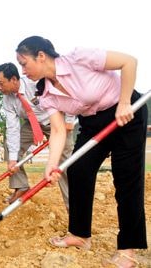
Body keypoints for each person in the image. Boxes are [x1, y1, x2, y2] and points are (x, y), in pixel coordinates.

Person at [16, 35, 148, 267]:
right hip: (92, 123)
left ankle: (128, 247)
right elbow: (58, 131)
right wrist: (52, 165)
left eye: (24, 63)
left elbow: (129, 62)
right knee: (78, 170)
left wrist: (125, 102)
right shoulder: (45, 95)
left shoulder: (79, 58)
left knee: (126, 179)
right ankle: (79, 235)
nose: (23, 71)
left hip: (126, 114)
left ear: (41, 55)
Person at [0, 62, 75, 206]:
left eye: (1, 83)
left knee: (64, 164)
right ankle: (21, 186)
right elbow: (12, 128)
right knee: (10, 147)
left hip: (56, 122)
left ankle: (73, 207)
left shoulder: (35, 83)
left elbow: (64, 95)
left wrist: (69, 120)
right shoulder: (7, 99)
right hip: (31, 125)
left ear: (13, 79)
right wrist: (13, 159)